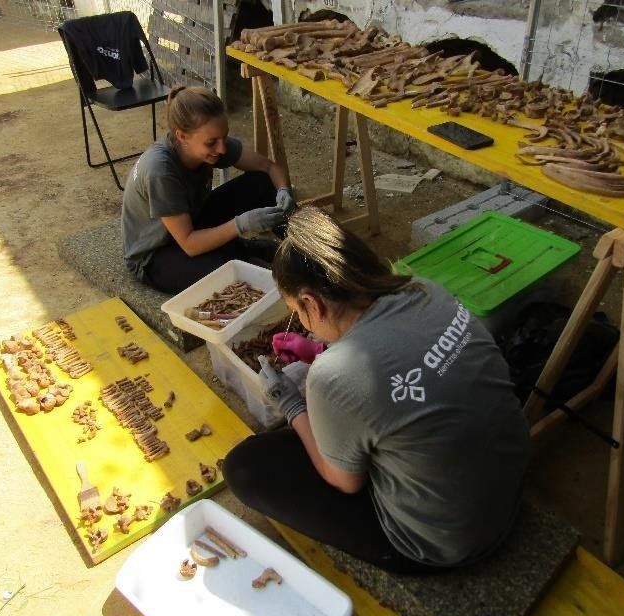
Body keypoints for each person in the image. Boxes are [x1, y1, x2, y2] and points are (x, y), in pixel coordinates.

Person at [221, 206, 531, 574]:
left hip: (443, 542)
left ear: (310, 303)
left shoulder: (333, 377)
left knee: (246, 466)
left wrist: (291, 405)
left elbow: (344, 483)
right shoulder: (426, 291)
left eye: (296, 311)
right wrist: (325, 347)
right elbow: (397, 355)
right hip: (509, 489)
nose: (300, 322)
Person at [121, 85, 295, 294]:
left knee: (262, 182)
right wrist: (241, 224)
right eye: (211, 142)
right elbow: (189, 244)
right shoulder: (160, 171)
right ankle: (245, 249)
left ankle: (302, 248)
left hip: (191, 221)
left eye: (224, 137)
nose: (221, 149)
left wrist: (284, 190)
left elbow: (269, 167)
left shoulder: (208, 144)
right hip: (156, 253)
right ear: (182, 136)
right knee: (228, 274)